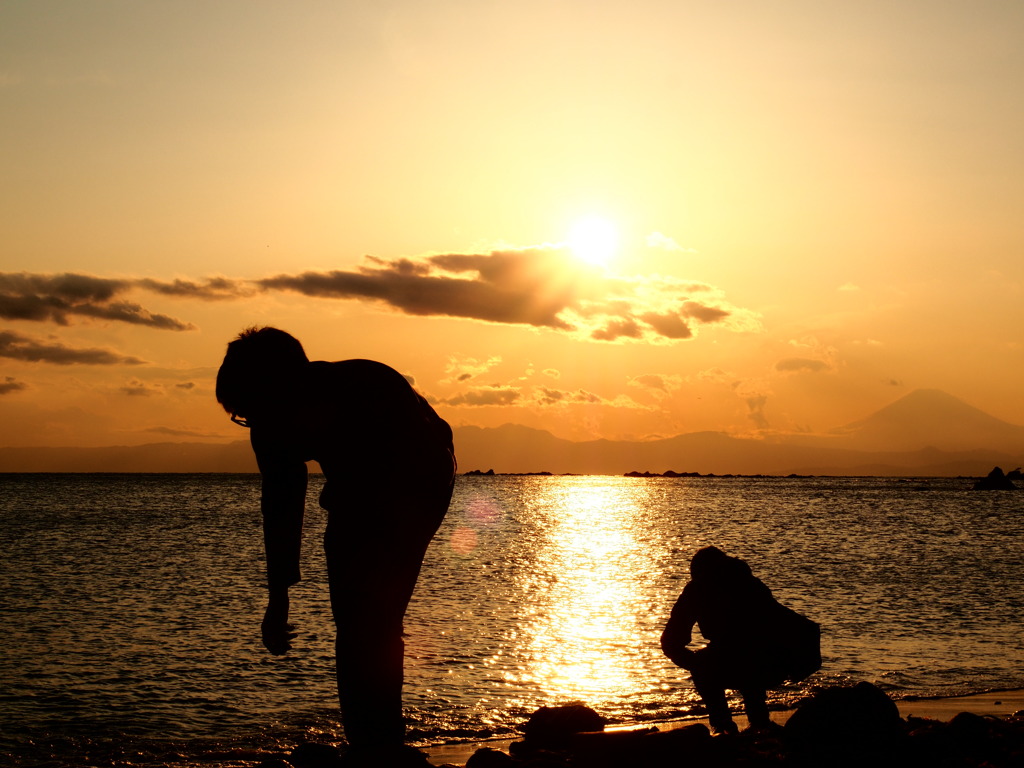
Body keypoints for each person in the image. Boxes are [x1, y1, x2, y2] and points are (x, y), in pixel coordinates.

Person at [216, 327, 456, 764]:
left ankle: (376, 746)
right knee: (362, 622)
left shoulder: (367, 384)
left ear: (282, 386)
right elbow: (281, 508)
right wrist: (278, 598)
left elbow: (422, 458)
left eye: (250, 409)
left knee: (370, 621)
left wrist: (367, 533)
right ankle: (374, 741)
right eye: (242, 415)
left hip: (420, 481)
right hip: (371, 490)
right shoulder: (273, 423)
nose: (251, 422)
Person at [661, 546, 820, 735]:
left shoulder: (699, 588)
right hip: (768, 663)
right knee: (741, 653)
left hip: (757, 663)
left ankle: (725, 726)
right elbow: (793, 624)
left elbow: (671, 641)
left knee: (721, 659)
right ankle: (757, 721)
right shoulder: (751, 583)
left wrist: (694, 664)